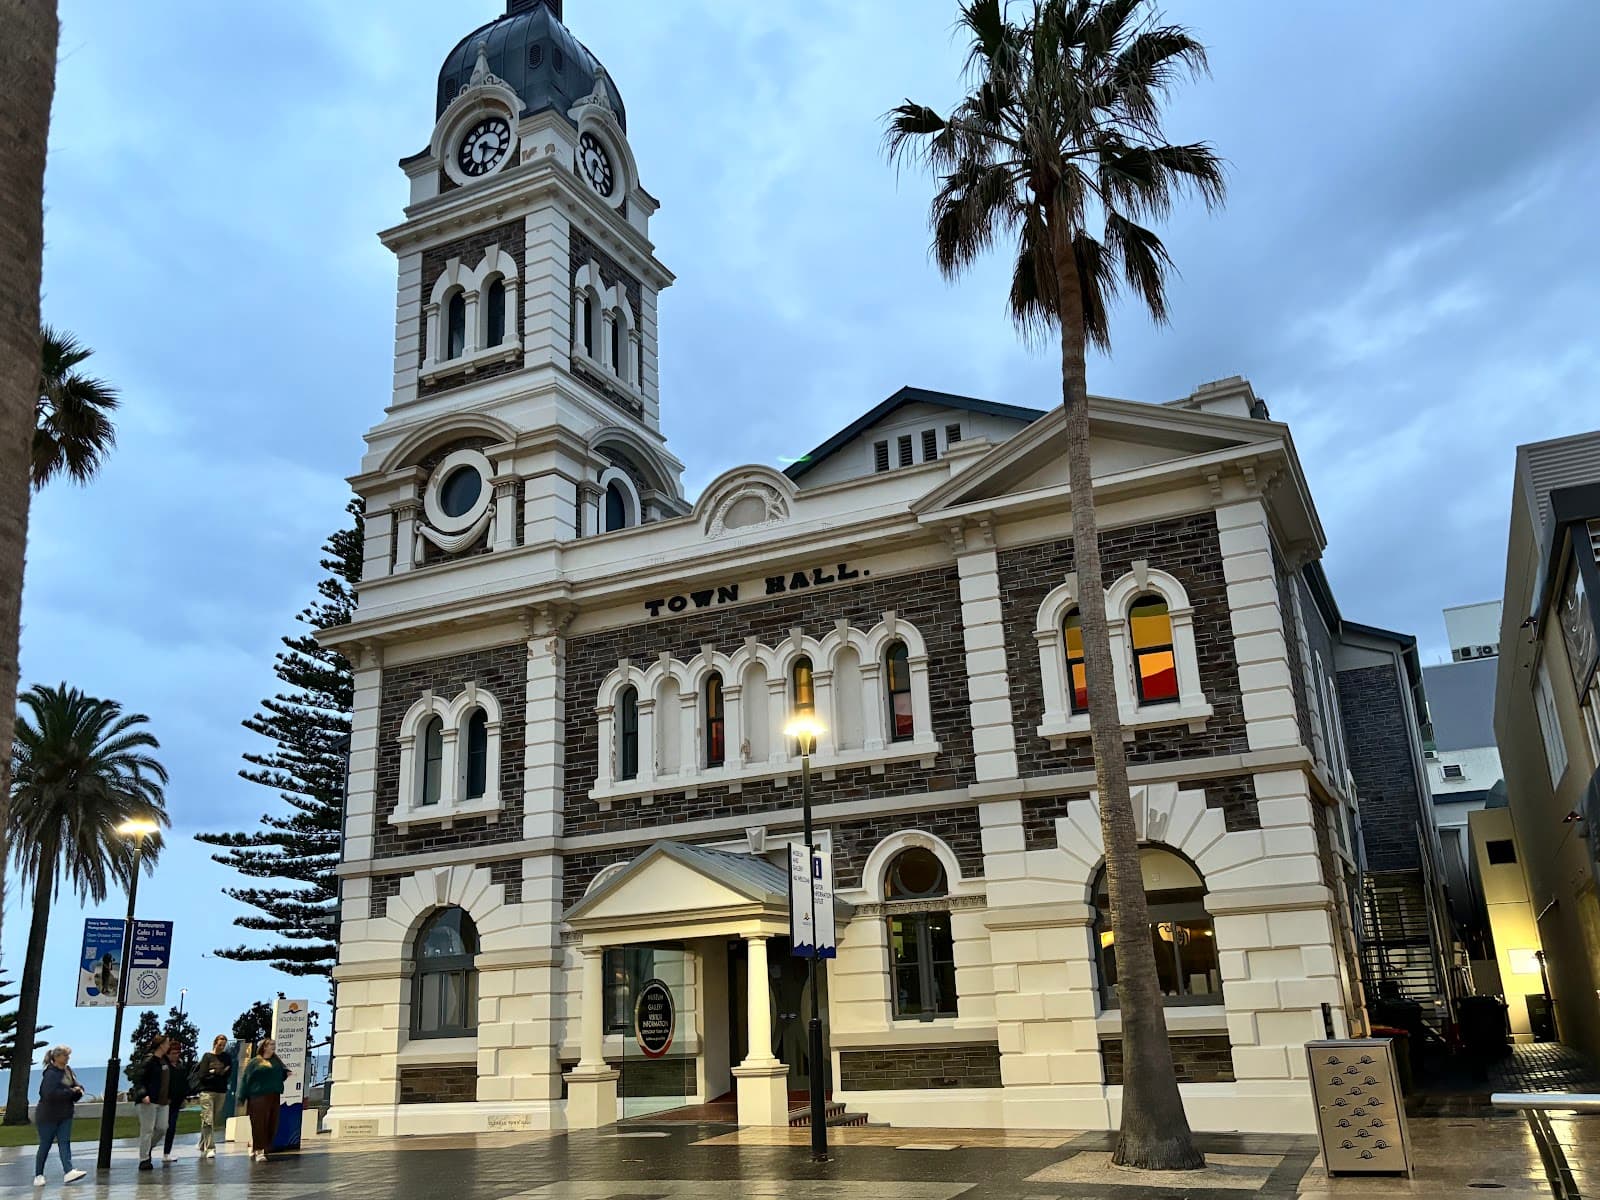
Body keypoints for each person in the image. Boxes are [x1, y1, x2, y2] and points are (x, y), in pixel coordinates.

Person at [33, 1045, 88, 1186]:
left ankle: (68, 1171)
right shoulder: (50, 1073)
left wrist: (79, 1090)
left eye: (68, 1055)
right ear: (56, 1057)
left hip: (65, 1113)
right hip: (48, 1116)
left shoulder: (68, 1071)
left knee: (65, 1142)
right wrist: (71, 1092)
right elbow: (48, 1094)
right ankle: (38, 1175)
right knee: (45, 1144)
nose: (68, 1058)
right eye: (65, 1055)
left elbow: (76, 1085)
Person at [238, 1039, 290, 1163]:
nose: (273, 1047)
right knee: (259, 1123)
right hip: (258, 1097)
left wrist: (286, 1074)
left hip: (274, 1096)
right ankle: (259, 1150)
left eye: (274, 1045)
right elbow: (246, 1080)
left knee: (272, 1123)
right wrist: (242, 1096)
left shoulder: (276, 1061)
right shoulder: (255, 1062)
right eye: (271, 1045)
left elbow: (279, 1075)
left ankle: (255, 1144)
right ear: (264, 1047)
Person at [135, 1036, 174, 1171]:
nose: (169, 1046)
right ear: (161, 1045)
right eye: (167, 1043)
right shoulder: (149, 1060)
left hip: (162, 1100)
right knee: (147, 1129)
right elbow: (139, 1078)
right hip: (148, 1100)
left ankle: (147, 1147)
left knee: (163, 1127)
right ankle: (144, 1159)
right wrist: (143, 1094)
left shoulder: (164, 1061)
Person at [191, 1035, 233, 1159]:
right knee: (208, 1119)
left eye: (224, 1045)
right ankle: (210, 1147)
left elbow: (228, 1072)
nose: (221, 1047)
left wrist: (215, 1072)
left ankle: (202, 1142)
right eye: (220, 1045)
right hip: (207, 1092)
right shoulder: (207, 1056)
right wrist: (216, 1072)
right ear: (215, 1043)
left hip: (221, 1091)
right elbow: (202, 1075)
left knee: (212, 1119)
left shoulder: (226, 1057)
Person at [161, 1039, 191, 1160]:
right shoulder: (165, 1066)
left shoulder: (180, 1066)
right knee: (161, 1127)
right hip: (165, 1101)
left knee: (171, 1127)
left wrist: (185, 1096)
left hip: (176, 1101)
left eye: (177, 1053)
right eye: (173, 1053)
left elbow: (183, 1082)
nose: (176, 1055)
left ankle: (166, 1153)